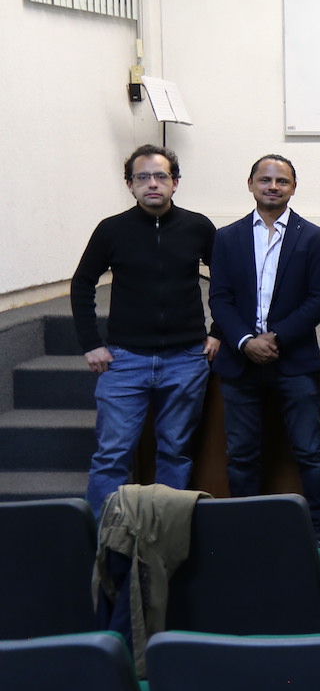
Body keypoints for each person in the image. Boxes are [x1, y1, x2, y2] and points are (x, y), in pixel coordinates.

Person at [72, 145, 218, 518]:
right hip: (124, 361)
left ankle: (162, 540)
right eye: (143, 178)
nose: (152, 184)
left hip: (185, 360)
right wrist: (91, 344)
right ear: (130, 185)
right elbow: (82, 283)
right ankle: (103, 544)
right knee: (112, 455)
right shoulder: (111, 230)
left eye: (161, 176)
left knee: (175, 451)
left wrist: (217, 331)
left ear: (175, 183)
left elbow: (228, 282)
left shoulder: (198, 227)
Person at [209, 155, 320, 527]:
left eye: (282, 181)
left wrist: (275, 338)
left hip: (293, 361)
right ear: (251, 184)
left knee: (311, 452)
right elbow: (220, 297)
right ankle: (248, 529)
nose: (273, 187)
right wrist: (246, 340)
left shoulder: (312, 236)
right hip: (240, 362)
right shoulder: (226, 237)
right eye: (265, 180)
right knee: (242, 455)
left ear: (293, 188)